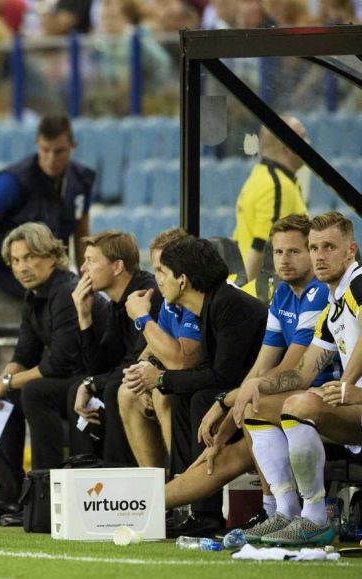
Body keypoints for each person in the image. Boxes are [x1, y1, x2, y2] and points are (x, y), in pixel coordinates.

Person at [179, 211, 356, 545]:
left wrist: (231, 399)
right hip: (335, 400)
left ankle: (314, 517)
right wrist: (245, 394)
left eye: (326, 247)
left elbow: (302, 376)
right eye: (314, 247)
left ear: (350, 251)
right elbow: (290, 370)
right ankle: (282, 512)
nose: (319, 255)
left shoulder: (350, 287)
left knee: (292, 404)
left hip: (338, 400)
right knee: (255, 408)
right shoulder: (324, 301)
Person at [124, 237, 268, 537]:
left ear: (183, 279)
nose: (157, 279)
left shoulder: (229, 303)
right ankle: (192, 505)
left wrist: (161, 379)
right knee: (183, 394)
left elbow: (222, 376)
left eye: (162, 271)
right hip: (239, 392)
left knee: (201, 395)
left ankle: (205, 511)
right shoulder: (211, 304)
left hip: (259, 398)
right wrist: (162, 380)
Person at [0, 222, 91, 526]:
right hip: (65, 380)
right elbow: (24, 354)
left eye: (30, 257)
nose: (22, 267)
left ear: (53, 256)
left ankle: (43, 494)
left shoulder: (66, 291)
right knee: (4, 396)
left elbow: (60, 363)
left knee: (32, 392)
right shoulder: (34, 296)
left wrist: (7, 382)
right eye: (15, 261)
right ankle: (7, 497)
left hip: (88, 381)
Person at [0, 115, 95, 326]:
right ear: (37, 144)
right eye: (45, 150)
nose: (51, 158)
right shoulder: (13, 183)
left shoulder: (81, 182)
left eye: (59, 151)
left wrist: (85, 284)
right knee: (7, 355)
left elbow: (81, 236)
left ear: (73, 146)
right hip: (4, 289)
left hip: (51, 291)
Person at [66, 230, 162, 465]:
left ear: (117, 266)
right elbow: (98, 366)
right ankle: (85, 471)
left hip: (159, 376)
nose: (83, 270)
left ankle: (117, 479)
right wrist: (84, 315)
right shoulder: (115, 305)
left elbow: (136, 361)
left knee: (112, 387)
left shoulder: (147, 295)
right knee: (77, 389)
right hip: (130, 376)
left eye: (90, 261)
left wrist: (93, 383)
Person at [118, 228, 202, 469]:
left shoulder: (194, 299)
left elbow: (180, 361)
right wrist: (141, 370)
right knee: (127, 391)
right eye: (156, 270)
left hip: (211, 381)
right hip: (182, 376)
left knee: (162, 392)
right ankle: (156, 486)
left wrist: (142, 318)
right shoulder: (169, 301)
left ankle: (181, 482)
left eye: (163, 271)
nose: (159, 279)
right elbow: (153, 348)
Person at [232, 116, 309, 282]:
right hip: (265, 295)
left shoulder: (259, 176)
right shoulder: (277, 186)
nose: (308, 143)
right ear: (287, 148)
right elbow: (262, 247)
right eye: (303, 137)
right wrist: (244, 298)